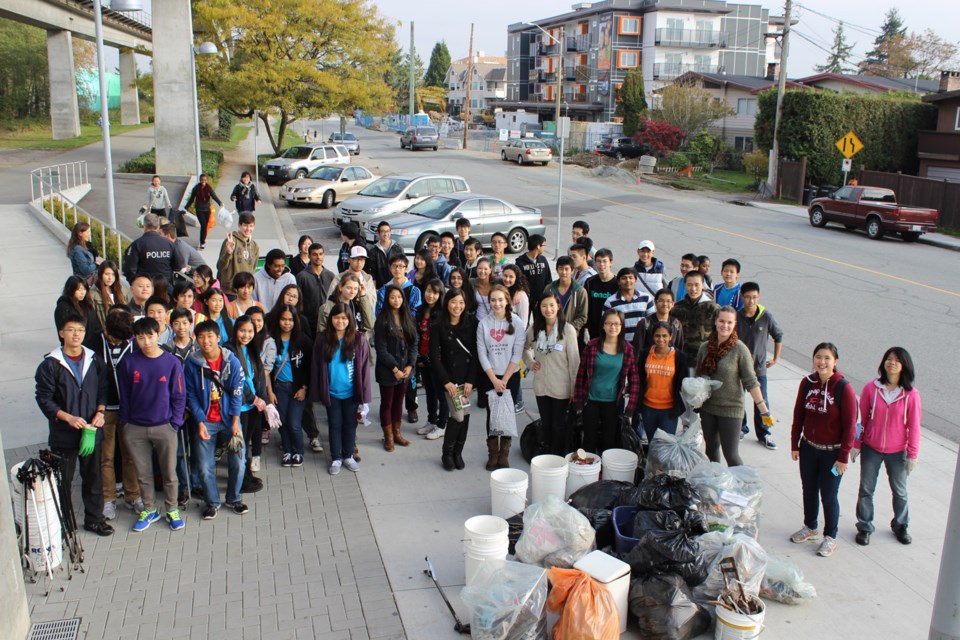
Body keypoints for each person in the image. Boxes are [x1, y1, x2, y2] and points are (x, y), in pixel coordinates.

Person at [34, 313, 113, 536]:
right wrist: (66, 417)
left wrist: (100, 412)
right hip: (64, 434)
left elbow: (103, 389)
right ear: (61, 333)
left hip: (90, 430)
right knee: (63, 481)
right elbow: (44, 398)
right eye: (71, 330)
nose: (76, 334)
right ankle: (63, 523)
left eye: (80, 330)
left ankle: (95, 519)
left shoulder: (94, 359)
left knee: (93, 477)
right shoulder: (50, 364)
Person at [117, 317, 187, 532]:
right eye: (140, 337)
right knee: (143, 472)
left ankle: (172, 508)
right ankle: (149, 509)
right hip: (135, 427)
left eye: (150, 336)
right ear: (135, 339)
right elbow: (125, 396)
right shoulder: (128, 363)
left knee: (169, 472)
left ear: (158, 334)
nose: (146, 341)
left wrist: (174, 423)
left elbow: (179, 395)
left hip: (165, 426)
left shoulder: (172, 362)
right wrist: (126, 423)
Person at [789, 342, 858, 557]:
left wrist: (843, 457)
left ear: (835, 361)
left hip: (833, 454)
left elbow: (849, 427)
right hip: (809, 448)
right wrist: (795, 443)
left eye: (827, 358)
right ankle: (810, 526)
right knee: (808, 489)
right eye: (818, 357)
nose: (822, 362)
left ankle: (830, 536)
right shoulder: (807, 383)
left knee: (828, 494)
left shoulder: (843, 388)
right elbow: (799, 414)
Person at [853, 347, 921, 547]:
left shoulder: (911, 395)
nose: (891, 363)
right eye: (888, 359)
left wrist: (912, 455)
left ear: (904, 366)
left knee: (900, 492)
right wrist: (857, 444)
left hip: (898, 451)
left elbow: (914, 427)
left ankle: (900, 525)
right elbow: (861, 420)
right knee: (866, 489)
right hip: (871, 448)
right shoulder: (871, 389)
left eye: (897, 360)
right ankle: (864, 527)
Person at [184, 320, 248, 519]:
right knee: (204, 466)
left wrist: (236, 422)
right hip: (206, 422)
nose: (206, 341)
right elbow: (190, 395)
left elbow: (237, 393)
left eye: (210, 336)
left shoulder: (232, 361)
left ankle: (234, 498)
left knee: (239, 461)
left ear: (219, 338)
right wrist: (200, 421)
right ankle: (212, 502)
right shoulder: (192, 363)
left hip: (230, 419)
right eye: (201, 337)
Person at [695, 306, 770, 466]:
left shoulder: (740, 349)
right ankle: (716, 483)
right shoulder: (705, 347)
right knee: (711, 449)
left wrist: (763, 409)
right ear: (715, 322)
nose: (725, 326)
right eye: (722, 321)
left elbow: (751, 381)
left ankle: (740, 488)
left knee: (731, 454)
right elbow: (699, 377)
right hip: (708, 408)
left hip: (731, 409)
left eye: (729, 322)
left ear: (734, 324)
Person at [91, 308, 141, 519]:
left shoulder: (132, 342)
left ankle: (133, 496)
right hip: (104, 411)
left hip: (129, 409)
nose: (118, 343)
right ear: (106, 330)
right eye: (114, 339)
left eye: (123, 340)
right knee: (106, 457)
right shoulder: (92, 345)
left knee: (130, 455)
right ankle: (108, 499)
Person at [312, 303, 372, 475]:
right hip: (332, 393)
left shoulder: (359, 339)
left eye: (344, 318)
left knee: (350, 425)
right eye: (337, 317)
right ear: (331, 319)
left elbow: (365, 369)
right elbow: (316, 366)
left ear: (350, 320)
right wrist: (318, 393)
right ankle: (336, 458)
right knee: (334, 425)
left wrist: (365, 397)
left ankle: (348, 456)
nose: (340, 321)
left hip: (351, 393)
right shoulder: (323, 339)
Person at [572, 309, 639, 455]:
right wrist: (577, 402)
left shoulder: (628, 349)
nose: (612, 327)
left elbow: (634, 380)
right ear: (603, 325)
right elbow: (581, 375)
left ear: (622, 326)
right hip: (590, 400)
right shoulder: (592, 346)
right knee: (589, 438)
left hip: (613, 403)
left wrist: (630, 409)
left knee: (610, 440)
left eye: (616, 324)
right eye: (609, 323)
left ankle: (607, 472)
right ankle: (588, 471)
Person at [523, 294, 579, 455]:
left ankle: (558, 456)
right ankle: (548, 454)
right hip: (541, 385)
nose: (548, 309)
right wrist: (530, 362)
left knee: (558, 425)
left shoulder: (567, 330)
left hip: (561, 387)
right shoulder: (535, 329)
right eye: (544, 306)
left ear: (558, 306)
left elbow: (574, 362)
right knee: (546, 424)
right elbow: (524, 348)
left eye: (551, 305)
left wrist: (575, 390)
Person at [476, 285, 525, 470]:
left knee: (506, 415)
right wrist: (494, 379)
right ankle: (493, 453)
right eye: (493, 300)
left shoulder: (517, 323)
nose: (496, 303)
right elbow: (482, 353)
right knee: (491, 415)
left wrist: (503, 379)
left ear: (507, 301)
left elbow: (517, 353)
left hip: (509, 376)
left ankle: (504, 454)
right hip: (489, 375)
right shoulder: (483, 324)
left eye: (500, 300)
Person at [431, 288, 478, 471]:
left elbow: (476, 352)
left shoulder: (472, 322)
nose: (457, 306)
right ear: (446, 303)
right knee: (458, 416)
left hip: (467, 378)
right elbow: (434, 357)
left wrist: (471, 381)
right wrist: (446, 382)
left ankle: (458, 452)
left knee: (465, 416)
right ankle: (447, 453)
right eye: (453, 302)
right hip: (450, 380)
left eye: (461, 302)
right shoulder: (438, 325)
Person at [223, 316, 268, 493]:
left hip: (252, 407)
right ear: (235, 331)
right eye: (242, 330)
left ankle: (245, 475)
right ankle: (238, 484)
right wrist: (253, 398)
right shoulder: (228, 349)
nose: (246, 335)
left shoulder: (251, 349)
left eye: (250, 331)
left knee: (245, 443)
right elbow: (235, 382)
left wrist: (263, 400)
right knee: (238, 447)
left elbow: (259, 377)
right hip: (238, 407)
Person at [737, 282, 783, 449]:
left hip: (759, 370)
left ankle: (764, 433)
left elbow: (778, 336)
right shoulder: (736, 316)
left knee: (762, 401)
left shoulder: (766, 316)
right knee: (738, 400)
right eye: (748, 297)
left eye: (754, 297)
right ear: (742, 297)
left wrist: (776, 359)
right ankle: (742, 428)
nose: (751, 301)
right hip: (739, 369)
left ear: (759, 297)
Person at [374, 285, 419, 451]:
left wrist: (410, 365)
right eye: (393, 297)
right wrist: (395, 369)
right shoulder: (382, 320)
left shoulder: (408, 317)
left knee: (399, 402)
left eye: (399, 297)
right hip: (388, 371)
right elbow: (381, 349)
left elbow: (414, 343)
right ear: (387, 299)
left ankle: (397, 432)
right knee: (387, 403)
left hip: (405, 370)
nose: (396, 300)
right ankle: (388, 437)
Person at [268, 305, 312, 467]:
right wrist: (270, 391)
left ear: (296, 321)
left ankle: (298, 451)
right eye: (283, 319)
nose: (287, 323)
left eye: (290, 320)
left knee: (294, 423)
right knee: (283, 421)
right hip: (279, 388)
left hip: (298, 389)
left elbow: (310, 367)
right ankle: (287, 450)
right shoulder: (271, 339)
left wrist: (305, 388)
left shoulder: (303, 340)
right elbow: (267, 370)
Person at [637, 322, 687, 441]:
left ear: (671, 337)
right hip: (648, 407)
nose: (660, 339)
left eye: (664, 336)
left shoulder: (679, 357)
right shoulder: (645, 354)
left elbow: (682, 384)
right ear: (653, 337)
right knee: (652, 444)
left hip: (669, 410)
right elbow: (640, 379)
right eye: (657, 336)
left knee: (666, 447)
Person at [414, 279, 447, 440]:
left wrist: (428, 359)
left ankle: (442, 424)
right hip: (422, 358)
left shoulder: (442, 314)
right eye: (428, 291)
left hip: (437, 360)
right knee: (429, 392)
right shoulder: (420, 310)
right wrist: (419, 357)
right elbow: (417, 335)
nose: (430, 295)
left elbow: (441, 342)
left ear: (440, 294)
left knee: (441, 393)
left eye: (434, 292)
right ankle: (431, 420)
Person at [670, 269, 719, 366]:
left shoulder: (713, 308)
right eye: (689, 285)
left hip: (704, 361)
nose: (693, 289)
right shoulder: (677, 308)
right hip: (681, 360)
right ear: (685, 285)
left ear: (703, 285)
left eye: (697, 285)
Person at [123, 213, 185, 288]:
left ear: (144, 227)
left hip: (145, 288)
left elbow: (129, 269)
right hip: (165, 287)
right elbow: (179, 266)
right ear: (158, 227)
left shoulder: (137, 244)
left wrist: (136, 285)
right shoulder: (169, 244)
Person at [602, 267, 653, 345]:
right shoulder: (610, 302)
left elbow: (652, 321)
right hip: (620, 345)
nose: (628, 280)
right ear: (618, 282)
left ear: (635, 280)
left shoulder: (646, 298)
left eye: (630, 277)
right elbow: (605, 324)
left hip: (643, 344)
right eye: (624, 278)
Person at [542, 256, 588, 337]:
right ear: (557, 270)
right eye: (561, 269)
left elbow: (582, 317)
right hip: (550, 332)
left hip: (570, 335)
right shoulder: (549, 288)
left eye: (567, 269)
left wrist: (568, 329)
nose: (563, 272)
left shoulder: (580, 291)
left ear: (572, 270)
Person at [296, 242, 335, 336]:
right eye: (314, 254)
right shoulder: (302, 276)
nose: (318, 257)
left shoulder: (330, 276)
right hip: (309, 323)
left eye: (321, 254)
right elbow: (298, 301)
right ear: (309, 256)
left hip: (327, 322)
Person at [217, 212, 259, 297]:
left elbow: (253, 269)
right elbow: (220, 266)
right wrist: (228, 253)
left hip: (245, 292)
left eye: (251, 226)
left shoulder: (254, 246)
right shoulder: (231, 241)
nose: (248, 229)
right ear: (239, 225)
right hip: (230, 292)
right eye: (245, 225)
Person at [328, 246, 376, 314]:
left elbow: (373, 303)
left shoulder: (368, 279)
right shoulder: (339, 279)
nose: (359, 262)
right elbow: (330, 302)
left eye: (362, 259)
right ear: (349, 259)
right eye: (355, 259)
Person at [634, 288, 684, 353]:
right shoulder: (645, 323)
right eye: (661, 300)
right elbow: (638, 349)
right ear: (655, 302)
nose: (665, 304)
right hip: (649, 361)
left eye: (668, 301)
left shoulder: (676, 324)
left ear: (672, 304)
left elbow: (679, 349)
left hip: (670, 362)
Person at [584, 248, 618, 343]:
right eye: (598, 261)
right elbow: (586, 307)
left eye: (604, 261)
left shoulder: (618, 284)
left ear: (611, 263)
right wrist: (586, 328)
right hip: (593, 330)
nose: (601, 265)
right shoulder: (589, 282)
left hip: (611, 330)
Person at [55, 275, 101, 342]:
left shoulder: (87, 305)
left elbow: (96, 326)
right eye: (79, 290)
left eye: (84, 289)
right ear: (71, 290)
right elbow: (63, 331)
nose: (82, 293)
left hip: (91, 345)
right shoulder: (63, 307)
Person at [185, 174, 223, 249]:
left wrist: (220, 203)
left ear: (206, 180)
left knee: (205, 226)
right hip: (199, 209)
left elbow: (214, 196)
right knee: (203, 225)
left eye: (205, 180)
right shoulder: (196, 188)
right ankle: (202, 242)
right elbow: (192, 199)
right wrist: (186, 207)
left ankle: (203, 240)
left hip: (207, 209)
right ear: (200, 180)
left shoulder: (209, 188)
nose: (203, 181)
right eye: (202, 180)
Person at [515, 234, 552, 308]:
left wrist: (545, 296)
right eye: (544, 245)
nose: (544, 247)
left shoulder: (543, 260)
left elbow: (548, 279)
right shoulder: (520, 262)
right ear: (538, 246)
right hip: (526, 300)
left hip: (540, 301)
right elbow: (519, 282)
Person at [90, 261, 129, 329]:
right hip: (104, 332)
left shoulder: (122, 291)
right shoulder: (93, 294)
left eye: (113, 274)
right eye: (107, 274)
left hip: (122, 331)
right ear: (100, 274)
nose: (110, 278)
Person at [368, 221, 406, 288]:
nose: (386, 234)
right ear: (378, 233)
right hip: (380, 287)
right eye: (383, 231)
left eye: (388, 231)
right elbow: (372, 273)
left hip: (396, 286)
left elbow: (403, 267)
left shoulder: (397, 248)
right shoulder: (373, 251)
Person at [470, 257, 495, 322]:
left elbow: (511, 283)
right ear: (476, 269)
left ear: (490, 270)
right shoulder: (472, 282)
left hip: (495, 320)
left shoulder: (496, 282)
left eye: (485, 269)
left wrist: (518, 291)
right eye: (480, 268)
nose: (482, 271)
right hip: (478, 320)